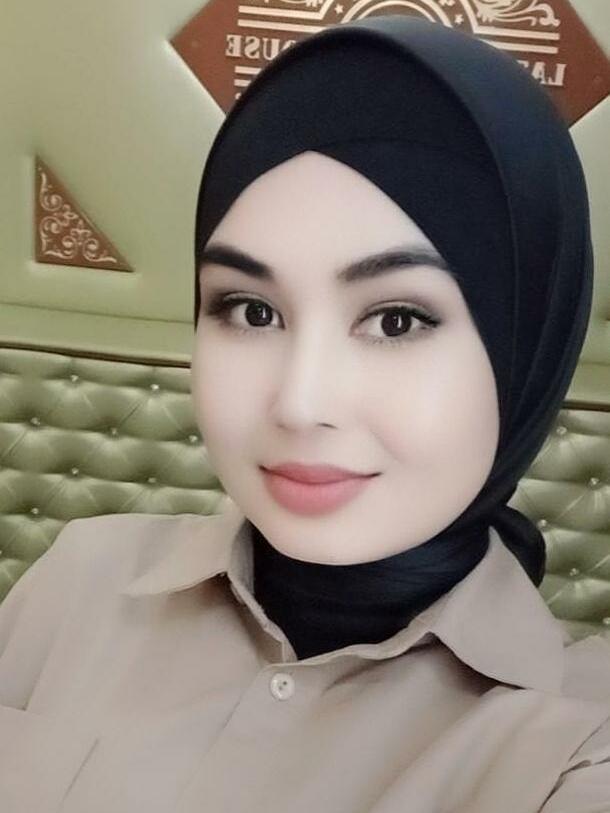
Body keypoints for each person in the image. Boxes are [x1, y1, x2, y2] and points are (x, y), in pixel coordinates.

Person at [0, 14, 609, 812]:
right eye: (251, 310)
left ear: (527, 349)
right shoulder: (80, 577)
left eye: (396, 319)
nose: (299, 401)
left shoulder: (575, 744)